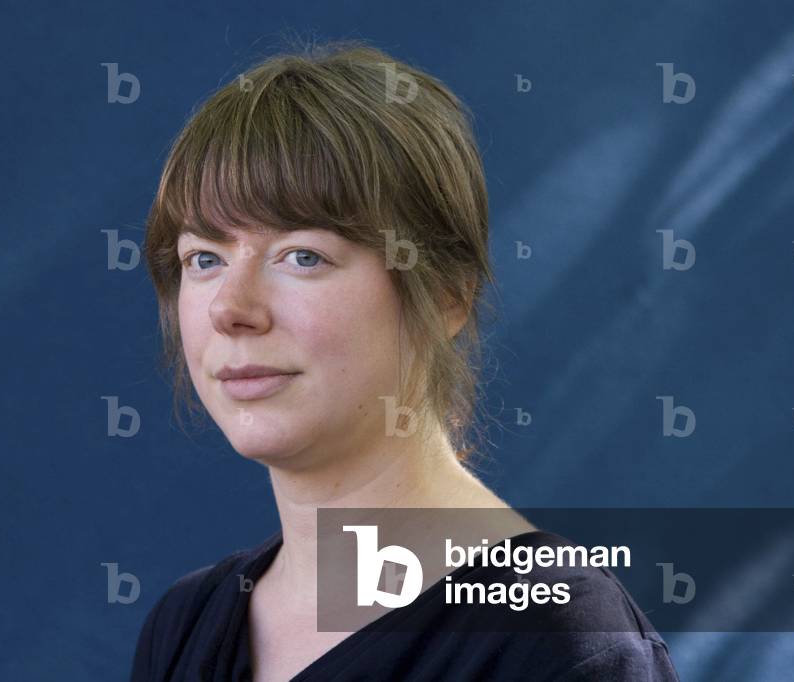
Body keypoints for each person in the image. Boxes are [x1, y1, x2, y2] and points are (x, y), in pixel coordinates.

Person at [130, 39, 680, 681]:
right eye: (205, 259)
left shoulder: (555, 643)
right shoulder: (187, 623)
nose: (231, 308)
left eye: (303, 256)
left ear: (446, 297)